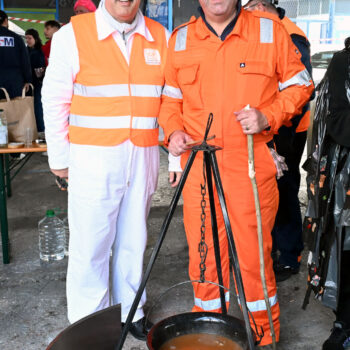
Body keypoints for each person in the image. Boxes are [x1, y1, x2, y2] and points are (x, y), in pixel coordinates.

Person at [159, 0, 313, 347]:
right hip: (199, 166)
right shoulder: (180, 39)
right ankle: (211, 336)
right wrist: (173, 131)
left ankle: (264, 338)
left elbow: (301, 85)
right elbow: (170, 99)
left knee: (254, 258)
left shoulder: (268, 30)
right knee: (204, 261)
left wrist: (269, 115)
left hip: (250, 164)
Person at [42, 0, 169, 341]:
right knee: (92, 242)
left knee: (134, 238)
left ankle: (132, 310)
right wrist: (60, 158)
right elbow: (54, 99)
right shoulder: (73, 35)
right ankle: (91, 321)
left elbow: (171, 98)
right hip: (93, 158)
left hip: (142, 156)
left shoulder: (159, 35)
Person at [244, 0, 314, 282]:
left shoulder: (289, 33)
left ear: (260, 5)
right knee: (267, 189)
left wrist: (279, 125)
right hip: (266, 125)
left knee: (284, 189)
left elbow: (302, 87)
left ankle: (289, 255)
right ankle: (270, 248)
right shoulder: (261, 29)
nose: (243, 16)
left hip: (287, 128)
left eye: (247, 9)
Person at [303, 37, 350, 350]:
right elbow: (339, 122)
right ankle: (345, 323)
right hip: (345, 179)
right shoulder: (343, 63)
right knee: (345, 251)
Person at [0, 10, 32, 99]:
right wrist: (27, 80)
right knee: (14, 110)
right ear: (6, 21)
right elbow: (25, 60)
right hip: (14, 81)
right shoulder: (16, 38)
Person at [25, 28, 46, 133]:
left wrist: (40, 81)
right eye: (26, 38)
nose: (27, 40)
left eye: (30, 38)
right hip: (28, 84)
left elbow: (40, 70)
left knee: (38, 107)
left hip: (37, 84)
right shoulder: (26, 51)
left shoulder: (38, 52)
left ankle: (41, 130)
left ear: (36, 38)